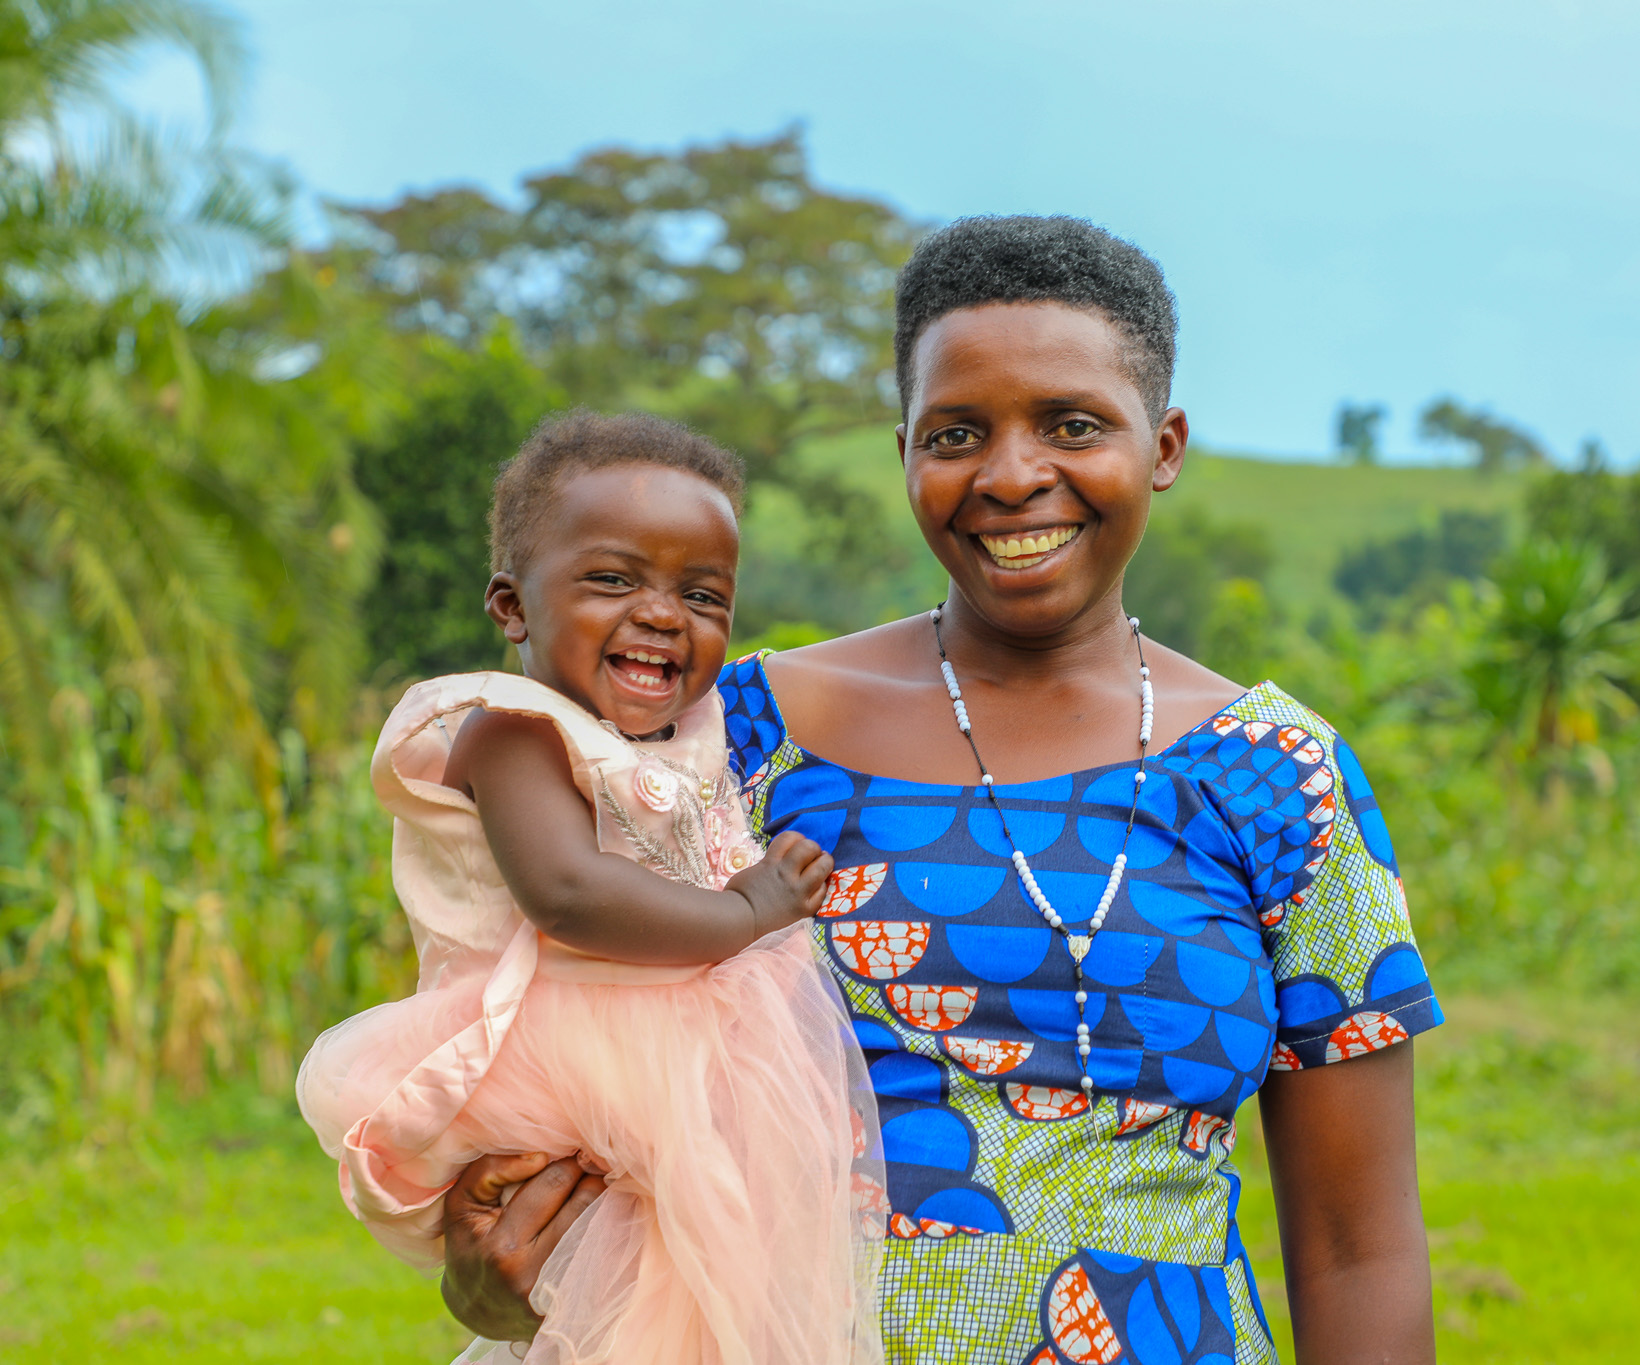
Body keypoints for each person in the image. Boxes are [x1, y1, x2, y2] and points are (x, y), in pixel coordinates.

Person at [442, 217, 1442, 1364]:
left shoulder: (1275, 779)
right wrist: (494, 1270)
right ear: (907, 450)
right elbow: (555, 1025)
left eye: (1072, 425)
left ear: (1160, 445)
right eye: (957, 433)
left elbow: (1355, 1244)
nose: (1012, 476)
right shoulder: (734, 738)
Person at [296, 412, 884, 1365]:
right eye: (613, 579)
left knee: (709, 1280)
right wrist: (750, 909)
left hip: (699, 1054)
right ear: (513, 606)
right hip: (587, 1043)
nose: (662, 613)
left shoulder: (691, 730)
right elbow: (567, 890)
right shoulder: (513, 731)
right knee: (618, 1289)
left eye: (703, 594)